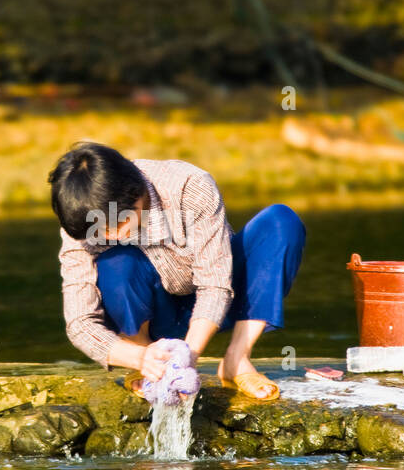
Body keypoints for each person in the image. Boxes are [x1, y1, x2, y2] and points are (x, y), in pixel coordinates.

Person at [48, 142, 305, 401]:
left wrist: (185, 360)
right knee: (116, 260)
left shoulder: (189, 186)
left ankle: (236, 359)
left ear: (134, 193)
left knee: (280, 221)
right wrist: (142, 358)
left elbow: (215, 286)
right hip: (153, 319)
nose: (107, 235)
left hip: (222, 300)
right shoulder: (83, 222)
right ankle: (145, 358)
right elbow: (80, 322)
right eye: (100, 231)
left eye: (115, 224)